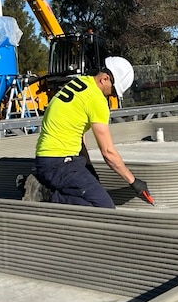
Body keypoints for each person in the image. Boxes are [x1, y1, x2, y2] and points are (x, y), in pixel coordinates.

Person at [22, 56, 152, 207]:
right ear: (104, 78)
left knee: (91, 190)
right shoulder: (96, 99)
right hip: (59, 163)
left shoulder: (80, 82)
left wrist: (88, 166)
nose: (112, 95)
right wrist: (133, 181)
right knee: (103, 206)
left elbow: (78, 133)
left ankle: (44, 186)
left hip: (48, 160)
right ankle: (43, 193)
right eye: (114, 91)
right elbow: (108, 152)